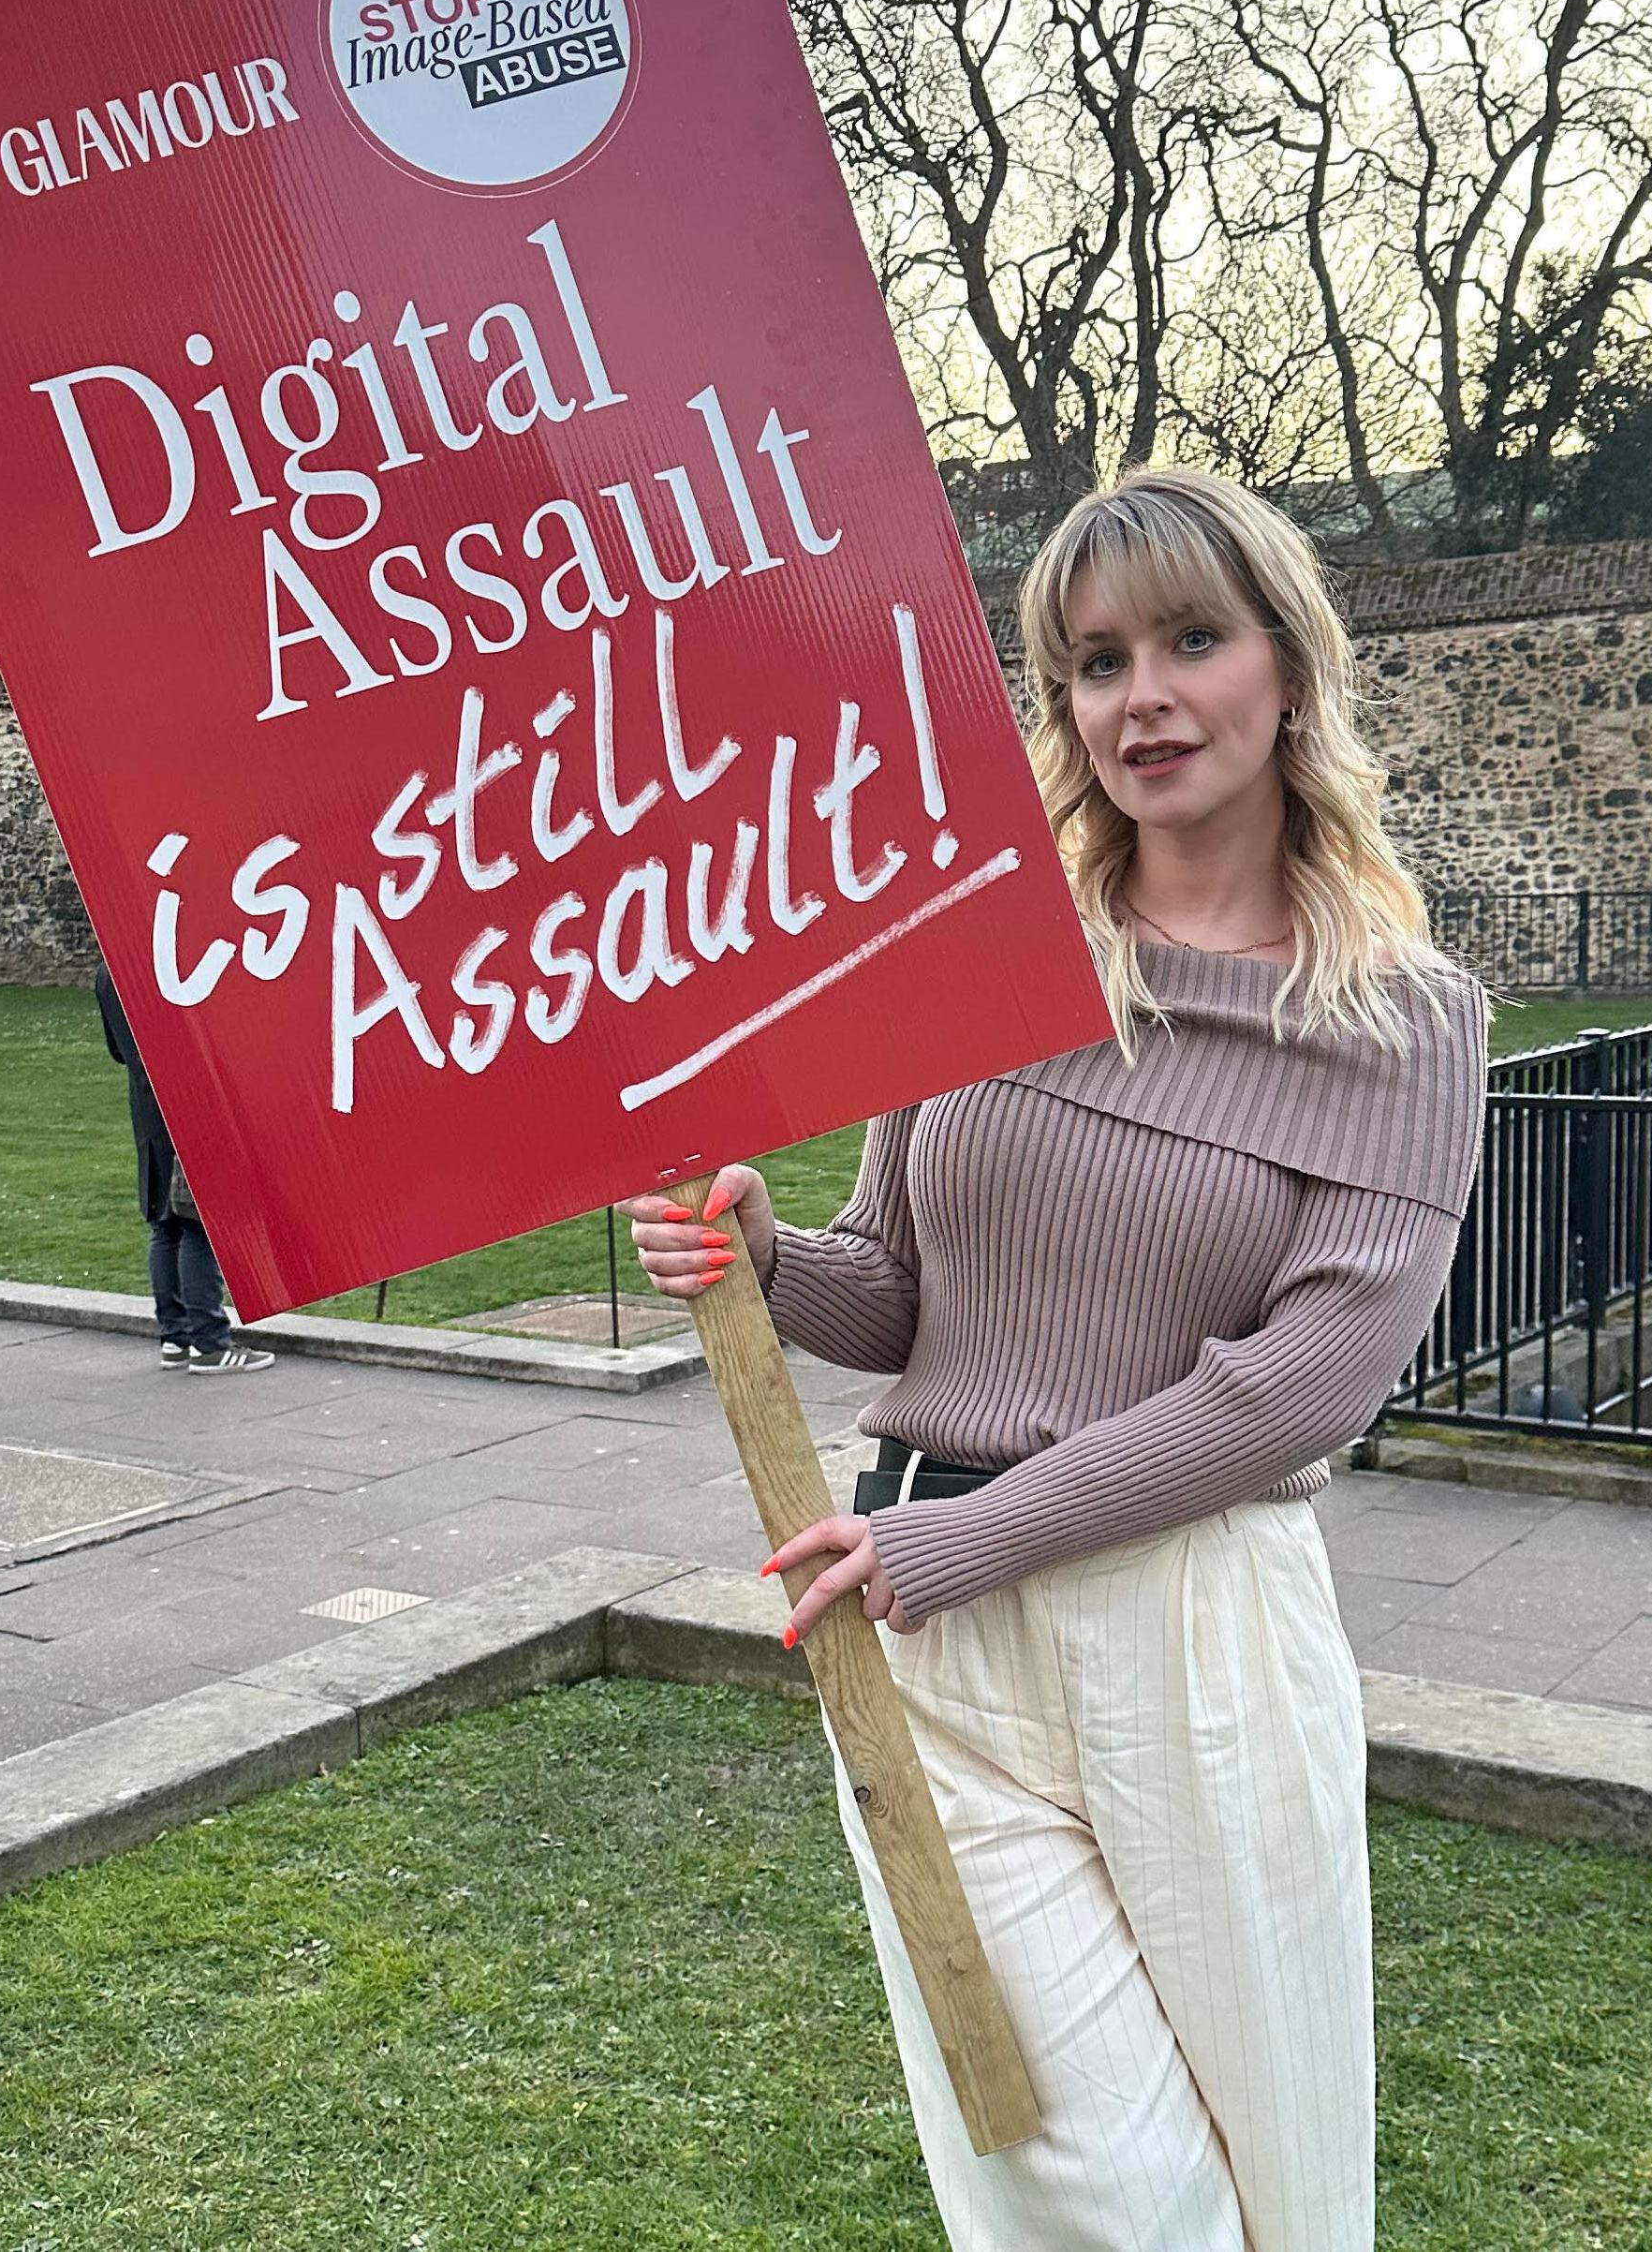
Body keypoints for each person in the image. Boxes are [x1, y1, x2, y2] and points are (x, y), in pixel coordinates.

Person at [620, 468, 1490, 2250]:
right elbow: (903, 1296)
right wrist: (768, 1259)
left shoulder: (1400, 1022)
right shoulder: (982, 956)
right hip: (925, 1635)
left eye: (1189, 639)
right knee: (1067, 2188)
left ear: (1285, 667)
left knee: (1278, 2186)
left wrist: (962, 1543)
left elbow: (1300, 1389)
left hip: (1187, 1626)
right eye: (1096, 662)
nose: (1142, 697)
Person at [94, 961, 273, 1375]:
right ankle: (208, 1340)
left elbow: (119, 1050)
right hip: (187, 1105)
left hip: (147, 1108)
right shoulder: (164, 956)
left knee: (166, 1223)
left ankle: (175, 1336)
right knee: (196, 1223)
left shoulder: (109, 971)